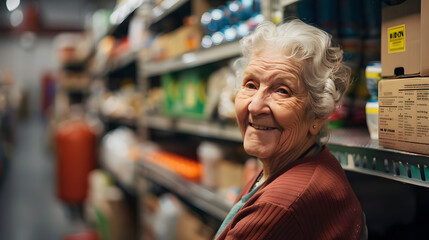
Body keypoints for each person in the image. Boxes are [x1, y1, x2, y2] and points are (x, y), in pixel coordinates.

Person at [214, 19, 367, 240]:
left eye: (282, 91)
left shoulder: (279, 207)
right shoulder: (306, 161)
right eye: (250, 85)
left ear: (317, 116)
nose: (255, 106)